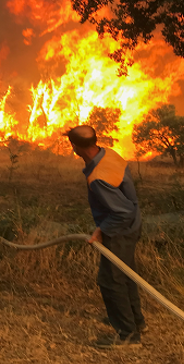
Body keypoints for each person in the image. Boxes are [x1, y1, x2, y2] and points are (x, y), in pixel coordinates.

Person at [65, 125, 145, 349]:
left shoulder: (99, 177)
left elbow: (122, 211)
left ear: (74, 146)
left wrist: (101, 230)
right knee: (126, 275)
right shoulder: (108, 153)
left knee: (110, 281)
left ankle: (128, 335)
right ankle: (136, 321)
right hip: (132, 225)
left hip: (120, 230)